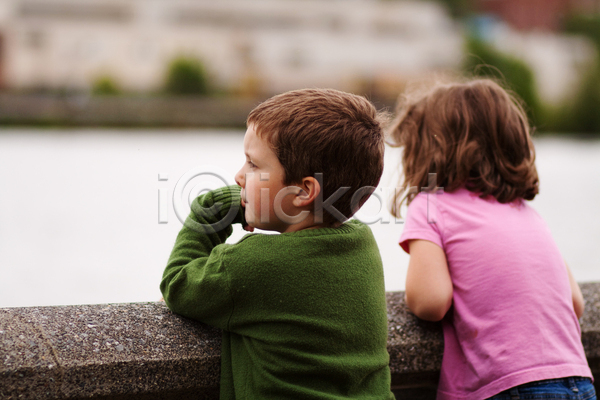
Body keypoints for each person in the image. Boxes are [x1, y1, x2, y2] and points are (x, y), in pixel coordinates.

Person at [161, 88, 395, 399]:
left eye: (253, 165)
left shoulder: (254, 263)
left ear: (302, 192)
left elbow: (177, 285)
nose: (239, 176)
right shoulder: (362, 246)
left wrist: (212, 209)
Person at [388, 78, 595, 400]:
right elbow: (576, 303)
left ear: (425, 149)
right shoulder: (525, 212)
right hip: (577, 380)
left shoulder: (431, 206)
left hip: (508, 387)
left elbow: (430, 302)